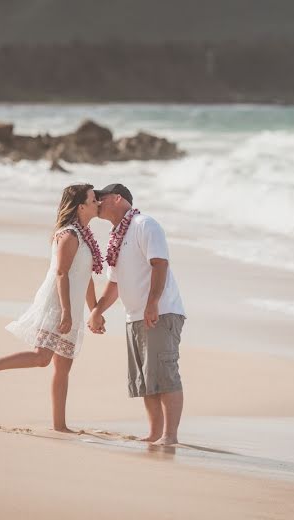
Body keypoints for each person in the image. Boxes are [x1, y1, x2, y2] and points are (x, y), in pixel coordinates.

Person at [0, 184, 104, 432]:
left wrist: (95, 310)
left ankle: (60, 426)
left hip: (71, 306)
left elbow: (86, 277)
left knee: (63, 366)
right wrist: (66, 311)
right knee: (42, 357)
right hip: (58, 305)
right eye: (94, 200)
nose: (98, 203)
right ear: (81, 206)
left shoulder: (83, 235)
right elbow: (62, 273)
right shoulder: (70, 235)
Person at [88, 184, 187, 446]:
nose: (97, 202)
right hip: (134, 316)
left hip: (161, 312)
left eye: (101, 198)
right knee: (146, 379)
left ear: (118, 198)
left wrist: (152, 303)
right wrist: (97, 310)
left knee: (165, 375)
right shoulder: (117, 236)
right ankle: (155, 433)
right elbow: (115, 284)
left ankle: (170, 435)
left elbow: (160, 264)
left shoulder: (145, 224)